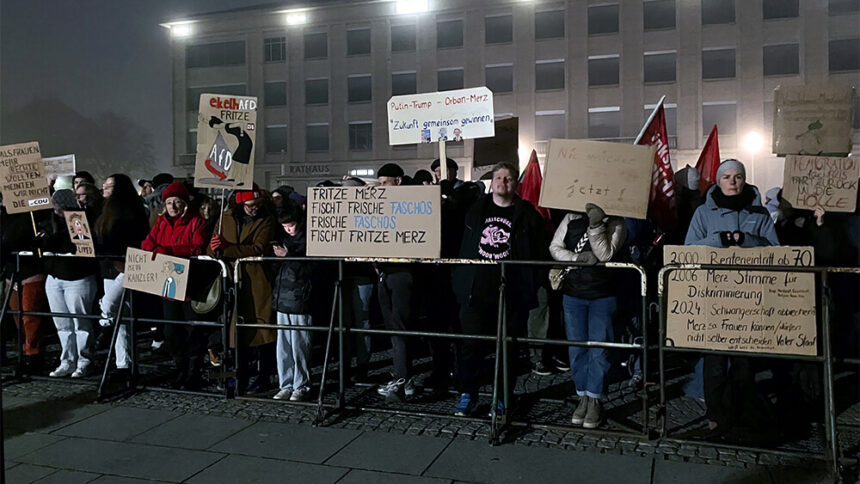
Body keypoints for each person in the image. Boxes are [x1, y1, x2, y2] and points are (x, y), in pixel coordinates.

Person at [685, 159, 779, 440]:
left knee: (743, 364)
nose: (733, 181)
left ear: (745, 179)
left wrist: (747, 240)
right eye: (726, 177)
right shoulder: (703, 212)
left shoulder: (759, 212)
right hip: (713, 296)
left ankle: (742, 417)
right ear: (718, 180)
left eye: (738, 176)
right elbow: (689, 247)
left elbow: (775, 248)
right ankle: (716, 418)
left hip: (749, 298)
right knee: (714, 364)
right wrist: (720, 240)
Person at [451, 162, 548, 416]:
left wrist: (531, 283)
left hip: (512, 293)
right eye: (498, 178)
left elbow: (540, 251)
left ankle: (503, 396)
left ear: (515, 183)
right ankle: (468, 393)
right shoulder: (474, 209)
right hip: (476, 291)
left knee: (508, 348)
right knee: (471, 347)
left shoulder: (527, 214)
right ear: (491, 182)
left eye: (508, 179)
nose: (503, 182)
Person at [550, 203, 626, 428]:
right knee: (577, 348)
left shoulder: (616, 221)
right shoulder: (571, 216)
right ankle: (582, 395)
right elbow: (555, 246)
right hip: (573, 294)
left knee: (599, 349)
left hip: (603, 294)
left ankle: (595, 399)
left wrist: (595, 225)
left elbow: (605, 253)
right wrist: (575, 259)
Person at [208, 184, 279, 393]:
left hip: (256, 283)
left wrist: (226, 248)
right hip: (231, 281)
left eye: (257, 205)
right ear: (240, 203)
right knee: (231, 336)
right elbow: (211, 248)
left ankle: (264, 376)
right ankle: (232, 379)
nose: (254, 209)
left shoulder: (266, 219)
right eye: (249, 206)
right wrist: (213, 249)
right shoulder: (225, 218)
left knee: (261, 333)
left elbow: (258, 248)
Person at [141, 181, 209, 388]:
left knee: (193, 331)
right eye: (169, 202)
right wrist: (160, 251)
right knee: (171, 332)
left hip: (191, 285)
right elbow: (147, 244)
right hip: (168, 287)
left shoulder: (197, 222)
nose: (172, 206)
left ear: (184, 203)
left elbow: (197, 247)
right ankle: (180, 369)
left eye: (176, 202)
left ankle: (193, 371)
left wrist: (168, 251)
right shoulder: (161, 223)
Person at [36, 189, 100, 378]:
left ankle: (85, 360)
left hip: (78, 277)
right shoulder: (49, 220)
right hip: (55, 277)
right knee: (62, 324)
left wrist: (50, 242)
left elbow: (77, 244)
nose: (58, 212)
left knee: (80, 322)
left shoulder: (81, 219)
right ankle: (67, 360)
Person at [94, 173, 151, 380]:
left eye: (109, 186)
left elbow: (135, 239)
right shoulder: (104, 210)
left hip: (128, 267)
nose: (105, 190)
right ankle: (123, 364)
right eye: (104, 186)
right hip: (109, 268)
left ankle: (104, 329)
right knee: (122, 318)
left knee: (109, 307)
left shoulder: (133, 211)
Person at [373, 163, 418, 402]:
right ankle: (404, 377)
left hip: (403, 273)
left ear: (398, 181)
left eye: (384, 182)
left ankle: (402, 379)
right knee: (393, 328)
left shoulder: (414, 204)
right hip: (386, 272)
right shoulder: (382, 205)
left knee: (399, 327)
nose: (380, 187)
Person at [1, 196, 51, 372]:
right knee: (17, 315)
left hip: (30, 271)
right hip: (11, 272)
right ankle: (25, 350)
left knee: (30, 315)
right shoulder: (4, 218)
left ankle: (34, 354)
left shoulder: (31, 217)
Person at [271, 207, 313, 401]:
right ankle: (286, 383)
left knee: (299, 345)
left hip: (300, 298)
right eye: (285, 226)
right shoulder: (287, 240)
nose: (288, 229)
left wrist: (287, 257)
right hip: (284, 297)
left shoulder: (309, 242)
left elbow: (308, 270)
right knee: (284, 346)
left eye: (291, 225)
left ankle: (300, 384)